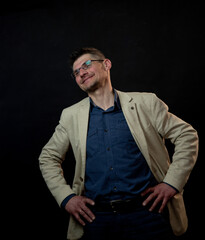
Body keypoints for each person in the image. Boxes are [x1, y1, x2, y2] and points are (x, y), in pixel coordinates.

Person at [39, 47, 198, 240]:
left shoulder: (145, 102)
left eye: (87, 64)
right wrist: (66, 197)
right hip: (96, 219)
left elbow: (186, 135)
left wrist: (171, 183)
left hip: (149, 215)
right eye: (76, 72)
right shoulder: (70, 115)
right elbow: (48, 157)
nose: (81, 72)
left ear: (106, 64)